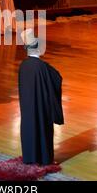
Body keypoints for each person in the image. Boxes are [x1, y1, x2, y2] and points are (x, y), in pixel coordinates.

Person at [18, 29, 64, 165]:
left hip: (27, 108)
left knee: (29, 129)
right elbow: (57, 79)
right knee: (42, 129)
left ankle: (30, 157)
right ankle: (44, 159)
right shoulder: (43, 67)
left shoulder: (23, 66)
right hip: (41, 107)